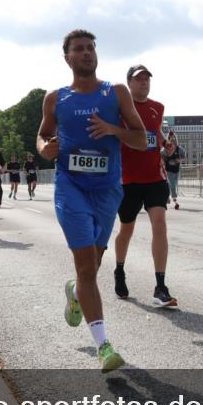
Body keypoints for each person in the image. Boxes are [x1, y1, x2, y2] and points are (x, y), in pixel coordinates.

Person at [36, 29, 147, 373]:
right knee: (86, 266)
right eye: (79, 49)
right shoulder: (55, 99)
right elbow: (42, 136)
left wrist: (113, 130)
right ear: (67, 57)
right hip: (70, 187)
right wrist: (45, 149)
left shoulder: (115, 93)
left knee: (92, 267)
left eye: (90, 48)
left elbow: (142, 140)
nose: (86, 53)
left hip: (108, 189)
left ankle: (73, 292)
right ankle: (104, 347)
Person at [113, 64, 178, 307]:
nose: (144, 83)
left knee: (159, 225)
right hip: (128, 180)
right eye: (139, 79)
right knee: (126, 230)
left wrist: (166, 146)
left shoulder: (157, 108)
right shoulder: (118, 109)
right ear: (129, 83)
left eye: (147, 79)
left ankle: (160, 286)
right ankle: (119, 270)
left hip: (154, 177)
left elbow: (157, 136)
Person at [162, 133, 185, 210]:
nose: (172, 141)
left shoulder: (179, 149)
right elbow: (160, 155)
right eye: (171, 140)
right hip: (169, 170)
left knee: (172, 184)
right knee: (172, 185)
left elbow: (184, 157)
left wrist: (180, 160)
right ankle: (175, 199)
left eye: (174, 139)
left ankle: (165, 197)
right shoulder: (165, 150)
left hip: (176, 170)